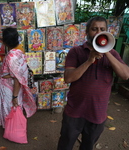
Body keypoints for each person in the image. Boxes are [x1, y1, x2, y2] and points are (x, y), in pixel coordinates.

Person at [57, 16, 129, 150]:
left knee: (88, 145)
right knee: (65, 144)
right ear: (87, 32)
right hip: (74, 111)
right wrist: (89, 60)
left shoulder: (113, 53)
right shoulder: (76, 52)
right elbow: (68, 78)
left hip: (97, 113)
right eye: (94, 29)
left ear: (107, 32)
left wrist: (106, 52)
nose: (98, 33)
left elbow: (126, 75)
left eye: (102, 29)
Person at [0, 27, 37, 129]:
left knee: (11, 107)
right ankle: (13, 127)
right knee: (14, 107)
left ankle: (12, 129)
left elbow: (17, 78)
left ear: (6, 43)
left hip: (11, 87)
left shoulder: (12, 56)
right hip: (13, 86)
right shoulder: (18, 48)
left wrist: (15, 97)